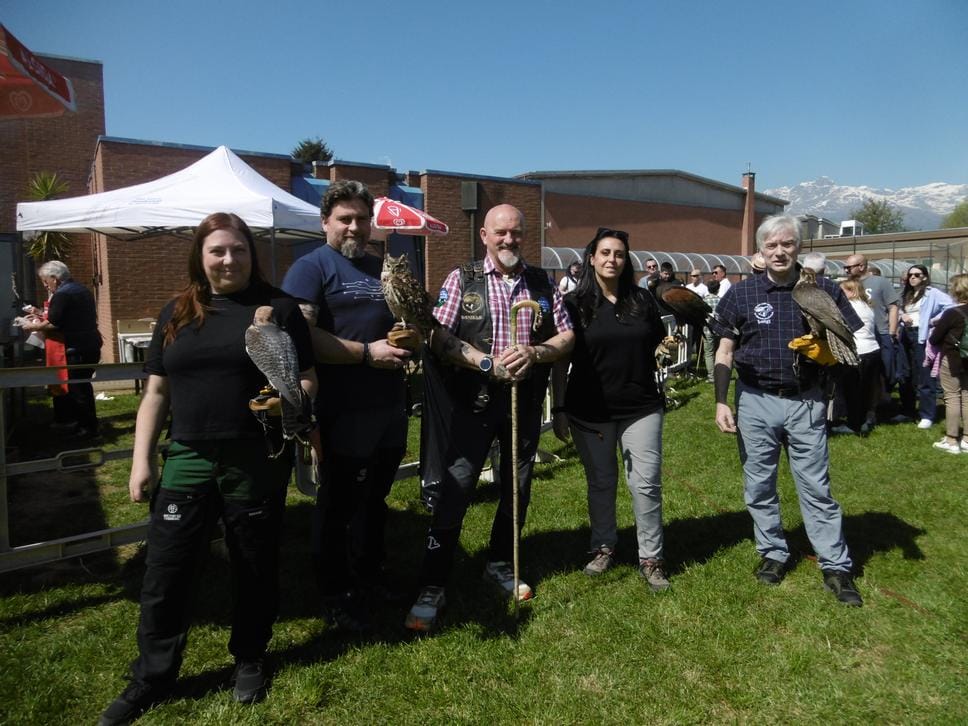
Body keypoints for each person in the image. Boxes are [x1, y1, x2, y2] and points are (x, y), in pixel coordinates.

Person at [98, 213, 317, 725]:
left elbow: (306, 379)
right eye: (217, 250)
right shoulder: (176, 311)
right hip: (189, 457)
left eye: (238, 250)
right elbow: (156, 390)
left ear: (251, 255)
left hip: (254, 458)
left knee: (253, 562)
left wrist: (289, 407)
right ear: (200, 255)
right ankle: (151, 676)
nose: (228, 260)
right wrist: (141, 460)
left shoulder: (278, 308)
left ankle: (249, 657)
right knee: (166, 570)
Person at [404, 204, 574, 632]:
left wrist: (536, 352)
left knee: (517, 487)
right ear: (484, 235)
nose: (509, 240)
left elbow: (567, 335)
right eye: (501, 233)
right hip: (472, 402)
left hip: (523, 402)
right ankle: (433, 582)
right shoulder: (462, 278)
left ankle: (500, 564)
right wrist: (484, 363)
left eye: (516, 233)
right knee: (455, 488)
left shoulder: (542, 282)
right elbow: (438, 335)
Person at [710, 214, 864, 607]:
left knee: (816, 486)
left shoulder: (824, 288)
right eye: (771, 245)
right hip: (755, 400)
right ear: (760, 251)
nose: (780, 251)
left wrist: (828, 353)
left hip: (805, 400)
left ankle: (835, 563)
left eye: (788, 244)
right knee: (759, 483)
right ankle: (773, 552)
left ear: (799, 247)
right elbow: (724, 350)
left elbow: (851, 337)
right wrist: (721, 400)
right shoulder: (740, 295)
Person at [281, 180, 413, 632]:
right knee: (338, 502)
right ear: (325, 223)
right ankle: (335, 592)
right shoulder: (309, 268)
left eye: (361, 218)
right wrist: (364, 353)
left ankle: (370, 574)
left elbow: (401, 320)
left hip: (389, 407)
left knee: (375, 498)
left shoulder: (383, 268)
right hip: (341, 409)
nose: (354, 227)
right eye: (345, 219)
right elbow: (300, 336)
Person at [551, 228, 669, 590]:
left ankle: (651, 557)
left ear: (626, 259)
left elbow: (655, 344)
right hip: (589, 409)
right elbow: (559, 361)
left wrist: (664, 349)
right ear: (591, 258)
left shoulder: (642, 301)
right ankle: (603, 547)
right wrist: (558, 406)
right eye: (604, 252)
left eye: (618, 253)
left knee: (645, 484)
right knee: (601, 483)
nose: (611, 259)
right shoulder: (573, 305)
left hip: (641, 406)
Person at [20, 260, 102, 437]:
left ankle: (88, 428)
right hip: (90, 344)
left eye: (45, 281)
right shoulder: (81, 289)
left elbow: (54, 323)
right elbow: (66, 316)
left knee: (77, 389)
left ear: (54, 278)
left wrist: (31, 326)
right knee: (82, 386)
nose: (45, 285)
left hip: (76, 347)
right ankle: (82, 423)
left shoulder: (62, 294)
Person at [896, 265, 952, 428]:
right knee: (905, 374)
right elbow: (898, 310)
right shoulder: (906, 294)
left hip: (921, 336)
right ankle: (907, 411)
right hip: (905, 334)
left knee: (925, 375)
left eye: (917, 275)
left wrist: (934, 320)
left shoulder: (932, 293)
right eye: (910, 275)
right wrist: (902, 315)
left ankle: (927, 414)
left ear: (925, 277)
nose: (912, 278)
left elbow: (951, 306)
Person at [844, 253, 899, 400]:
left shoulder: (880, 282)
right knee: (865, 375)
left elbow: (893, 307)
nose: (846, 271)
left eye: (849, 267)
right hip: (858, 337)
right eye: (845, 268)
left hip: (880, 333)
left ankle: (881, 399)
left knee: (885, 371)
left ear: (861, 266)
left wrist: (892, 332)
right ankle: (869, 406)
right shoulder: (847, 285)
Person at [830, 280, 881, 435]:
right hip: (872, 350)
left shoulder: (850, 306)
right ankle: (864, 419)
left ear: (851, 291)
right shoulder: (867, 306)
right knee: (866, 389)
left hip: (858, 351)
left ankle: (854, 424)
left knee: (852, 390)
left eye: (842, 291)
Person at [928, 273, 968, 453]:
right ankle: (967, 439)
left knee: (952, 397)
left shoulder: (952, 313)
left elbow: (936, 338)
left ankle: (952, 440)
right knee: (967, 397)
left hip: (952, 358)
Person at [702, 280, 721, 382]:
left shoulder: (704, 301)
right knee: (719, 352)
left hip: (707, 330)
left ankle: (711, 376)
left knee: (709, 353)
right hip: (719, 330)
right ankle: (719, 373)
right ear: (718, 289)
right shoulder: (722, 300)